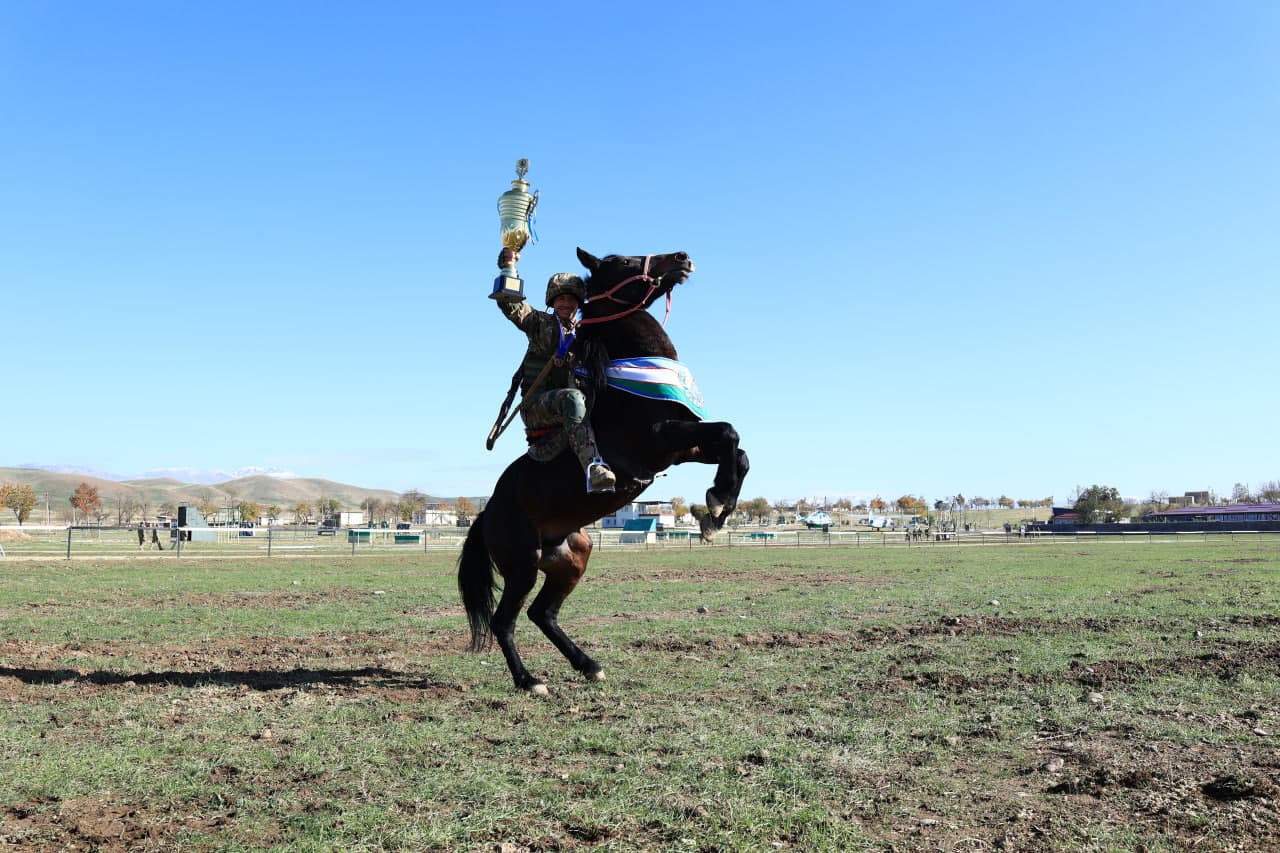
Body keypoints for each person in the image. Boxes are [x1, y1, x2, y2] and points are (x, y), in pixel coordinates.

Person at [496, 248, 615, 493]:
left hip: (575, 410)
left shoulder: (586, 335)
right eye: (560, 299)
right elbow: (510, 305)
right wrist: (509, 266)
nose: (565, 303)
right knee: (572, 398)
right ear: (551, 301)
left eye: (571, 299)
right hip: (537, 407)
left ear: (578, 303)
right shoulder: (540, 323)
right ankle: (593, 467)